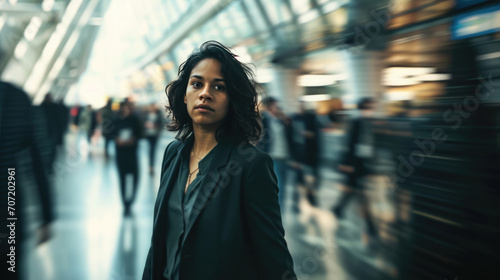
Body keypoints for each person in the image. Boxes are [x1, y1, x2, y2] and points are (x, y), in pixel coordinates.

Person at [142, 41, 296, 280]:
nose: (205, 93)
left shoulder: (251, 165)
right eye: (196, 84)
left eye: (219, 87)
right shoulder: (173, 154)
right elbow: (159, 242)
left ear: (232, 99)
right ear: (185, 95)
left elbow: (274, 259)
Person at [0, 82, 54, 280]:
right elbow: (37, 161)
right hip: (10, 212)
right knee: (11, 270)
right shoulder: (17, 98)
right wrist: (46, 216)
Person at [332, 97, 378, 241]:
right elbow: (349, 144)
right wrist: (346, 163)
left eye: (370, 107)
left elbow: (371, 147)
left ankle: (338, 208)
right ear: (361, 109)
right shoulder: (356, 123)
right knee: (362, 196)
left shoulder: (370, 124)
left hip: (363, 165)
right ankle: (371, 227)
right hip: (354, 165)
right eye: (366, 108)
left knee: (352, 191)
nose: (368, 111)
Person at [259, 96, 292, 207]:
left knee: (283, 183)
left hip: (284, 155)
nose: (277, 107)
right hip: (272, 156)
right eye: (275, 105)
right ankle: (277, 208)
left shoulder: (279, 120)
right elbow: (259, 138)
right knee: (279, 184)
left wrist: (283, 117)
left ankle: (278, 207)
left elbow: (289, 134)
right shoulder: (263, 119)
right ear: (270, 106)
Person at [289, 101, 321, 208]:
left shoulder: (311, 117)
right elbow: (289, 138)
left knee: (313, 177)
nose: (299, 108)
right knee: (298, 179)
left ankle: (311, 196)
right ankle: (296, 203)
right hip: (298, 154)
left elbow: (316, 134)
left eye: (300, 106)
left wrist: (307, 133)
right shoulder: (293, 118)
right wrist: (292, 157)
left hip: (310, 153)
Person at [113, 101, 142, 216]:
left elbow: (140, 133)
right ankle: (125, 204)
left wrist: (133, 139)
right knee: (122, 179)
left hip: (132, 154)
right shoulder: (116, 120)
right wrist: (117, 139)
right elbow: (111, 133)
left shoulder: (134, 120)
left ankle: (131, 201)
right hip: (120, 155)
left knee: (135, 177)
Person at [143, 103, 163, 175]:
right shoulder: (147, 114)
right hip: (148, 134)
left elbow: (161, 124)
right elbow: (143, 122)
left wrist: (155, 126)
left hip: (155, 134)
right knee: (150, 150)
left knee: (152, 150)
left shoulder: (158, 114)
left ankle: (151, 166)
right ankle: (150, 166)